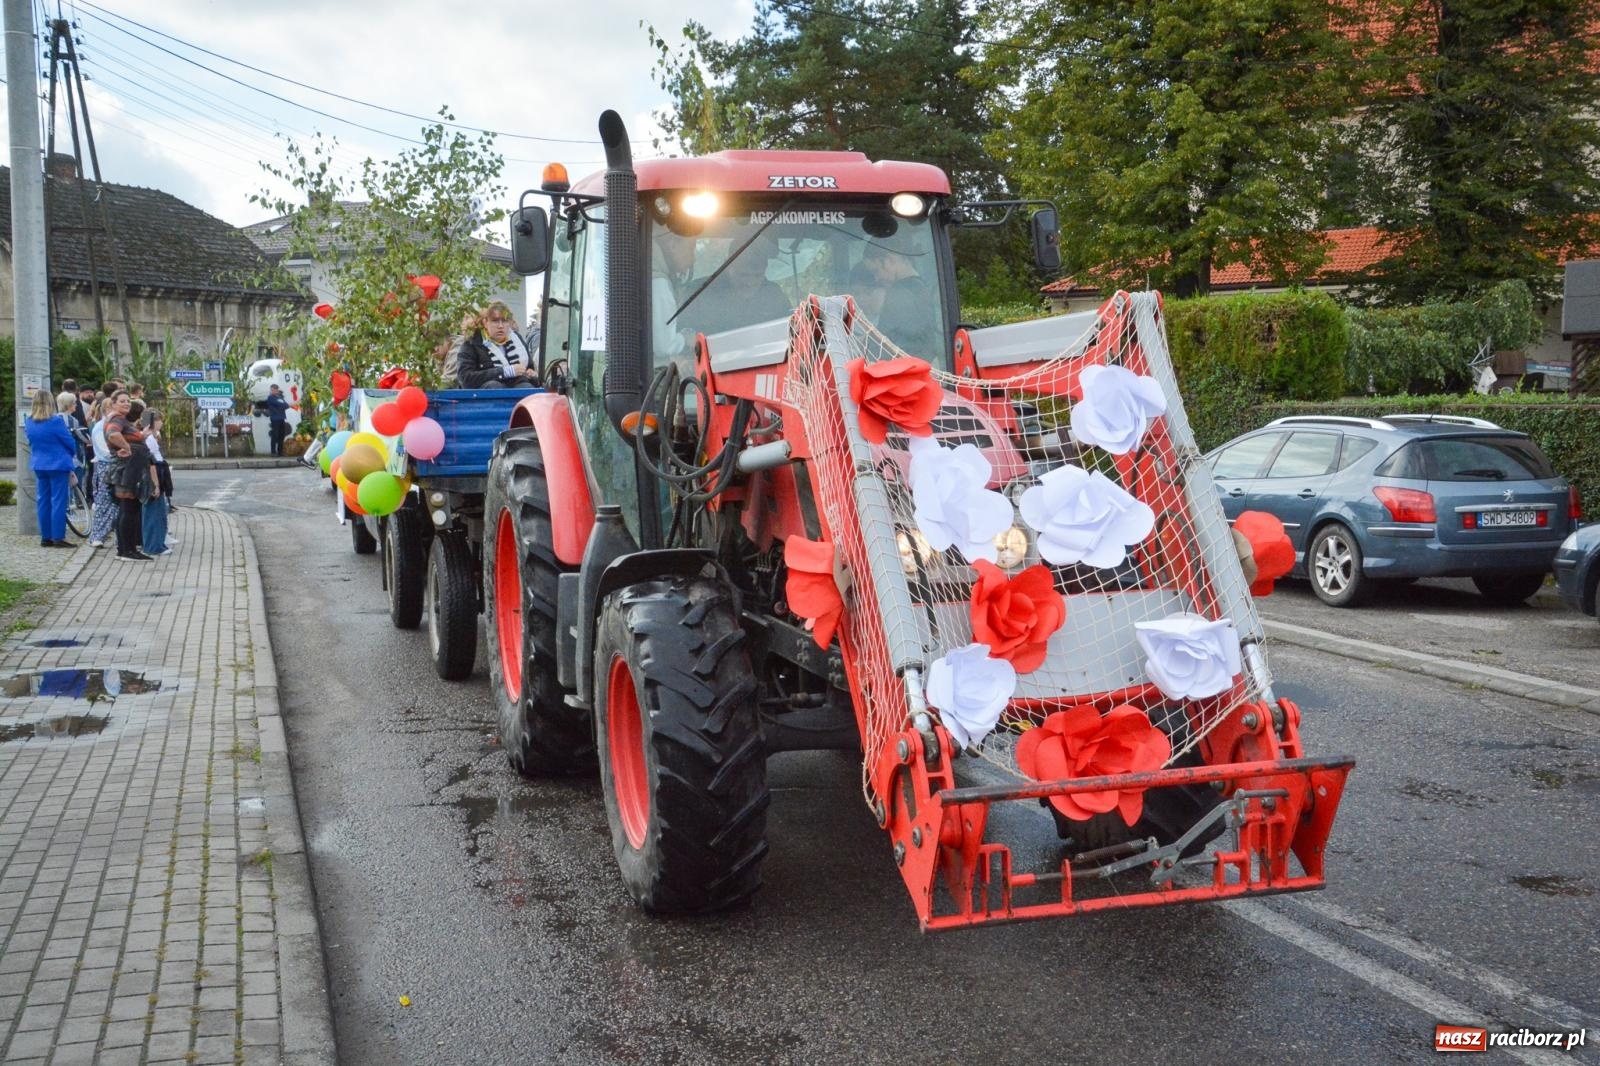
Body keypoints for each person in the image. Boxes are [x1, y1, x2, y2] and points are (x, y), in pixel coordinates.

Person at [102, 390, 153, 562]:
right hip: (126, 469)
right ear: (113, 403)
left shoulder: (120, 419)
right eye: (122, 401)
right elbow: (113, 434)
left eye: (128, 402)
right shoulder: (117, 419)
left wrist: (141, 436)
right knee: (128, 509)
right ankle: (126, 550)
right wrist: (128, 447)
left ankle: (126, 549)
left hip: (129, 468)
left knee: (128, 509)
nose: (126, 404)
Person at [24, 389, 78, 548]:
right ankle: (57, 537)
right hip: (58, 464)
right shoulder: (55, 421)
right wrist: (70, 454)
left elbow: (31, 442)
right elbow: (69, 442)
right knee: (58, 501)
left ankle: (45, 536)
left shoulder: (29, 421)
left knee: (43, 500)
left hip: (39, 464)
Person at [456, 301, 536, 388]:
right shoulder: (471, 343)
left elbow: (530, 368)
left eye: (505, 321)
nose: (500, 326)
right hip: (485, 397)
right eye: (495, 321)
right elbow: (465, 379)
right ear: (485, 322)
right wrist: (503, 372)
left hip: (517, 390)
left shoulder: (517, 339)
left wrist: (532, 375)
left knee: (526, 387)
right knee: (494, 386)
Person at [140, 408, 172, 556]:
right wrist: (156, 484)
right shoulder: (148, 439)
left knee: (157, 512)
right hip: (154, 474)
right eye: (159, 420)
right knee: (154, 513)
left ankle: (157, 543)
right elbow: (151, 462)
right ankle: (154, 546)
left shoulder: (151, 437)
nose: (162, 423)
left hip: (157, 471)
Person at [87, 397, 116, 548]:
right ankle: (97, 536)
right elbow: (104, 450)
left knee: (117, 504)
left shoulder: (113, 424)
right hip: (106, 465)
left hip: (113, 464)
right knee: (104, 502)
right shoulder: (101, 426)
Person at [264, 384, 290, 455]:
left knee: (281, 435)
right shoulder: (270, 398)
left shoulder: (280, 397)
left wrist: (280, 406)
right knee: (275, 435)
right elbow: (281, 405)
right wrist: (281, 406)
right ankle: (273, 451)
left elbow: (286, 405)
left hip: (282, 418)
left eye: (274, 390)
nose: (273, 391)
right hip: (275, 418)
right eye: (272, 390)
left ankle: (280, 451)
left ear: (277, 390)